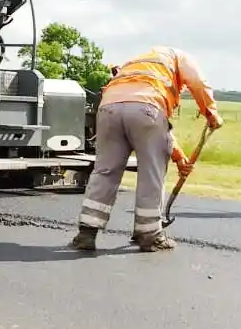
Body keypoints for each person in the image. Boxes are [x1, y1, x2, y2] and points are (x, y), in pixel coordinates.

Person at [69, 46, 223, 252]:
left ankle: (86, 233)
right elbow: (196, 82)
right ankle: (149, 235)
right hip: (147, 110)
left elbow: (153, 123)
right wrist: (211, 112)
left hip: (108, 109)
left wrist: (179, 157)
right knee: (151, 172)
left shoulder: (136, 64)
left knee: (105, 171)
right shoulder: (180, 57)